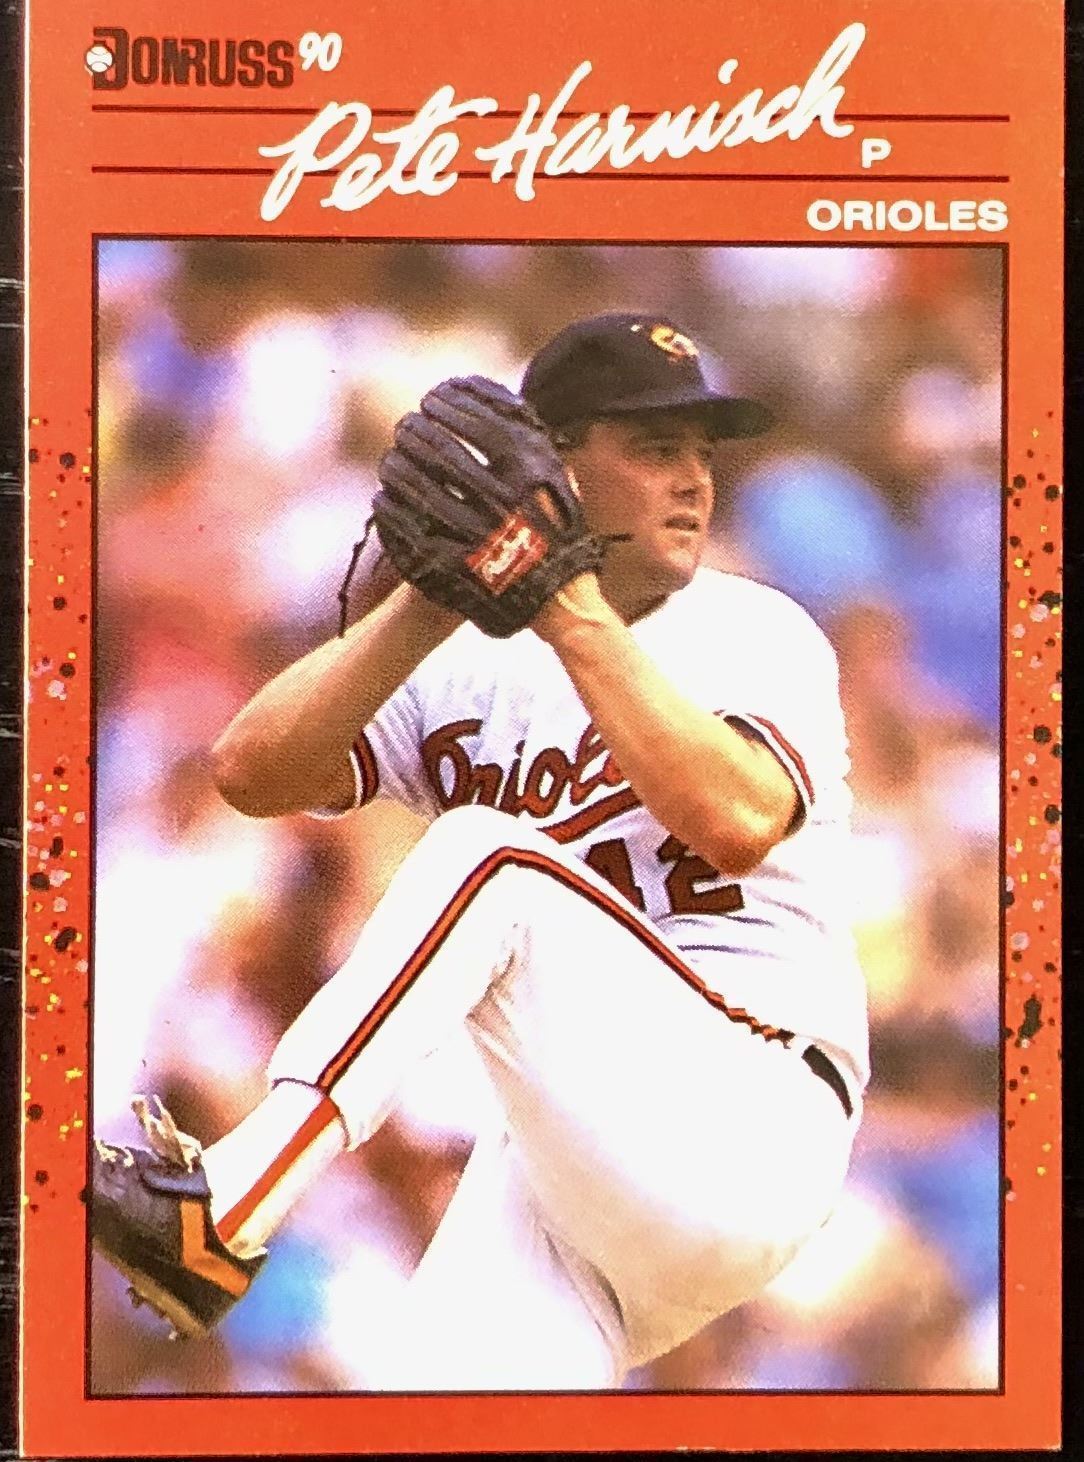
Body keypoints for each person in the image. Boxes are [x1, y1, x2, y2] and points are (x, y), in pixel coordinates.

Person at [92, 312, 869, 1390]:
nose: (694, 478)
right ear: (550, 467)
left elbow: (736, 821)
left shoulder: (753, 630)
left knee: (490, 856)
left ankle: (227, 1206)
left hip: (751, 1112)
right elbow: (250, 772)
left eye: (701, 451)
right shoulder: (465, 661)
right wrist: (428, 595)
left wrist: (563, 603)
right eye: (656, 449)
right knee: (428, 1413)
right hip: (575, 1183)